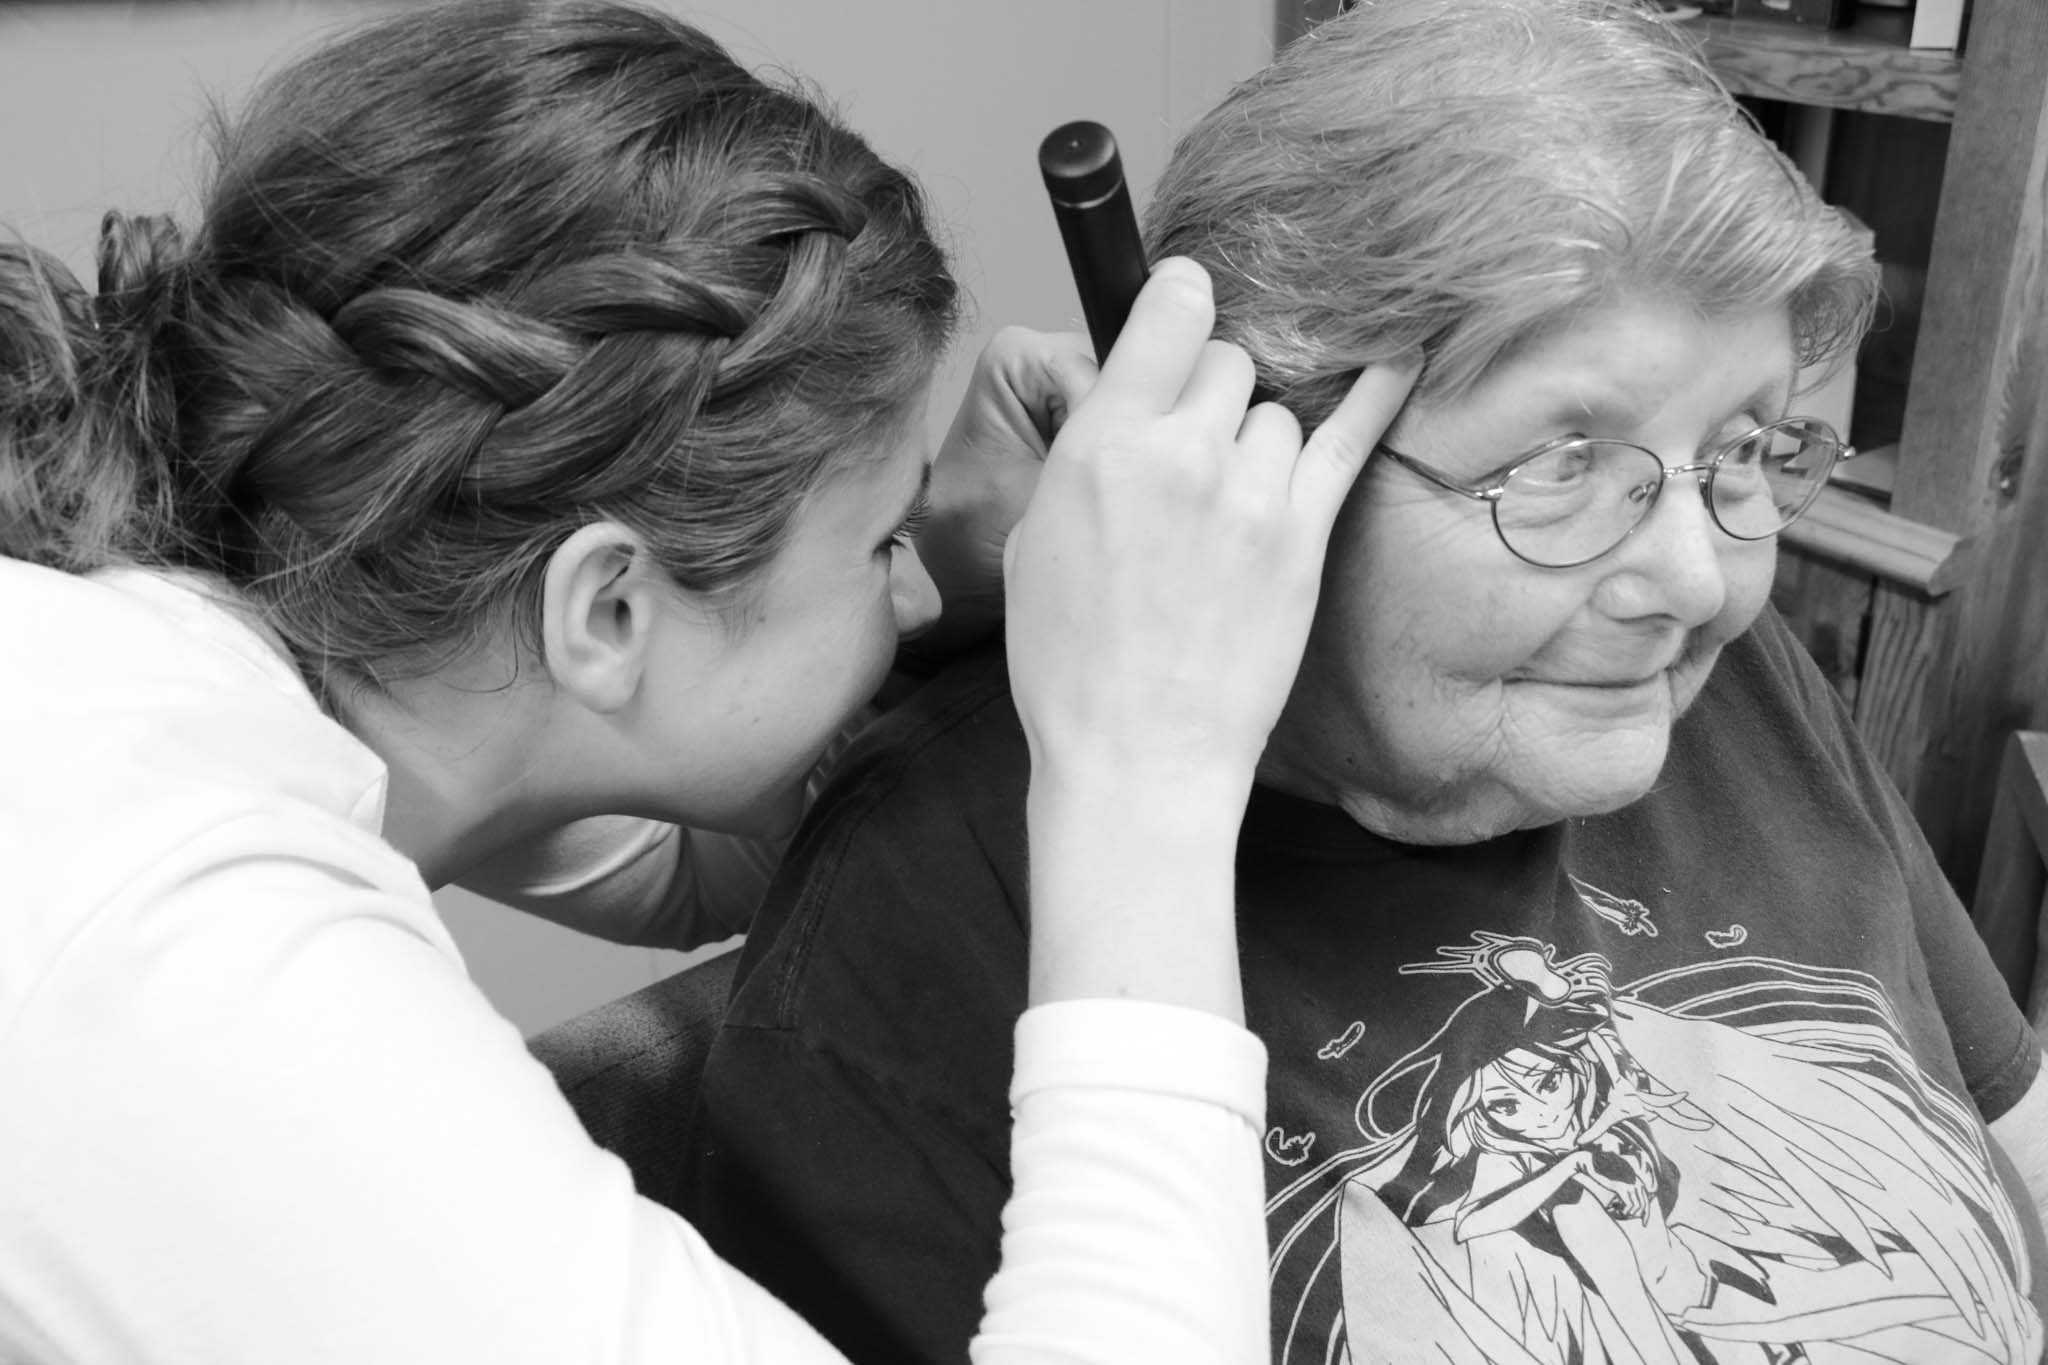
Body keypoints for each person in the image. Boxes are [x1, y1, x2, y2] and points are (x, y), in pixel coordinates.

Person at [0, 1, 1420, 1360]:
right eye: (880, 548)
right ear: (609, 607)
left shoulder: (299, 623)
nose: (915, 592)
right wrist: (1144, 766)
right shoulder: (177, 962)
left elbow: (688, 854)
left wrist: (941, 553)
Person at [674, 1, 2048, 1362]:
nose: (1696, 580)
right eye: (1561, 464)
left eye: (1745, 449)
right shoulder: (919, 918)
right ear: (1247, 463)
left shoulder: (1728, 688)